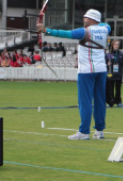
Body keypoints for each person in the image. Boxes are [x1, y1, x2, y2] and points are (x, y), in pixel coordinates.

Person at [37, 9, 110, 140]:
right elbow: (104, 24)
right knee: (100, 101)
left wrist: (46, 30)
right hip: (101, 70)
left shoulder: (84, 32)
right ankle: (100, 131)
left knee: (85, 102)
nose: (84, 19)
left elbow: (65, 34)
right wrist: (97, 22)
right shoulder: (105, 29)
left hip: (87, 71)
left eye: (86, 18)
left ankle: (84, 132)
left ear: (92, 19)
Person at [106, 39, 123, 108]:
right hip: (111, 74)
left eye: (117, 45)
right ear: (112, 45)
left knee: (118, 89)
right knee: (110, 89)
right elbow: (105, 63)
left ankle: (118, 101)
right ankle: (111, 102)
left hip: (119, 74)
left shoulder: (121, 54)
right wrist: (107, 64)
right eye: (115, 44)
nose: (116, 46)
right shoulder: (109, 54)